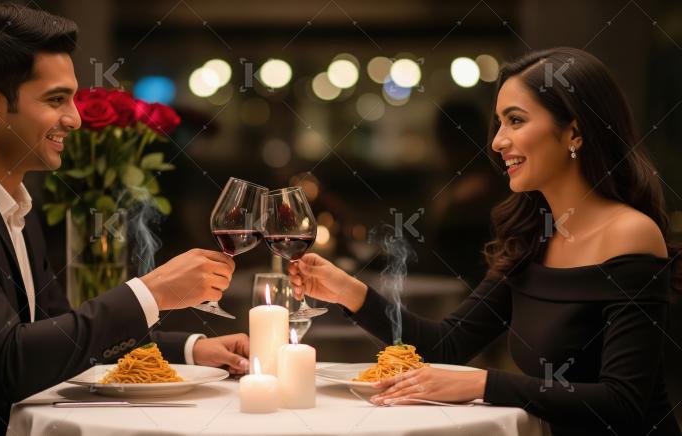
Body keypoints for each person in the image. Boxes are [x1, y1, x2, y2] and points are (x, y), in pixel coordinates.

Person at [0, 4, 247, 434]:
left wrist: (190, 348)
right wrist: (151, 292)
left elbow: (60, 340)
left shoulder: (12, 203)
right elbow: (8, 363)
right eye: (56, 99)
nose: (74, 119)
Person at [289, 47, 681, 435]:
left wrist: (482, 384)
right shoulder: (535, 237)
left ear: (574, 131)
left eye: (515, 121)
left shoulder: (630, 233)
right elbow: (447, 345)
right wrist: (349, 292)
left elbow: (624, 402)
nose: (497, 141)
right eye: (499, 123)